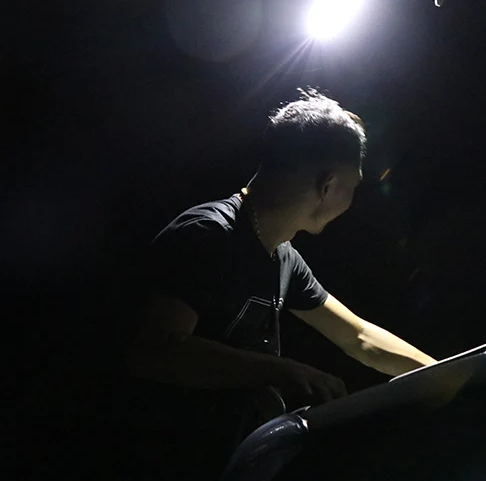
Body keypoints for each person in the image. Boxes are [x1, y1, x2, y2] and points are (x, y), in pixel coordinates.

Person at [125, 89, 436, 480]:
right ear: (328, 185)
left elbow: (358, 336)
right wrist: (281, 371)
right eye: (353, 187)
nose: (352, 200)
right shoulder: (207, 235)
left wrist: (443, 373)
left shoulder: (282, 257)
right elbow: (154, 350)